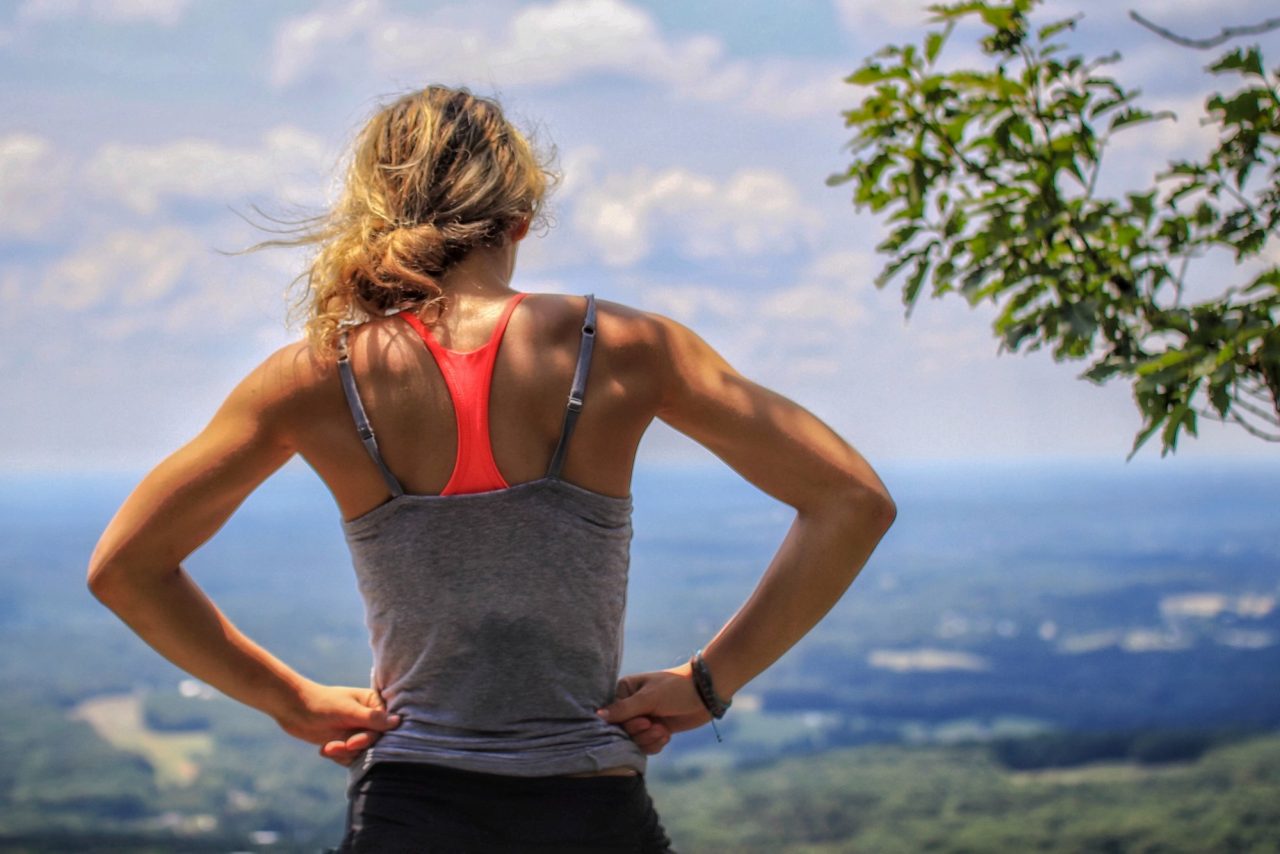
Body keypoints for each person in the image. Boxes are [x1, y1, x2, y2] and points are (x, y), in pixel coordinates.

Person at [87, 85, 896, 853]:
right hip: (590, 809)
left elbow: (126, 568)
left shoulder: (314, 377)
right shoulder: (621, 350)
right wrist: (709, 683)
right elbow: (851, 501)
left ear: (378, 214)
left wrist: (289, 701)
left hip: (409, 808)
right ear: (521, 217)